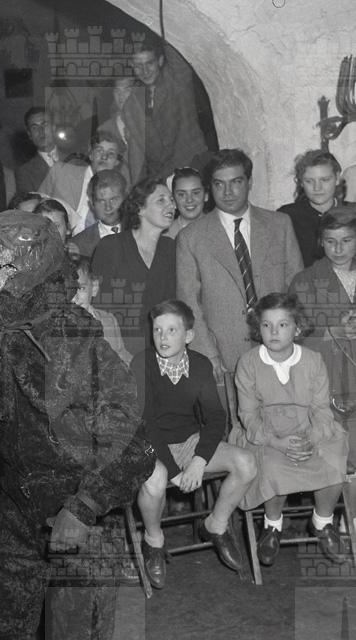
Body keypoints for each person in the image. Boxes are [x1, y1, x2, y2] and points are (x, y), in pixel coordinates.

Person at [0, 211, 156, 639]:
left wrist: (84, 507)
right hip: (16, 507)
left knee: (76, 631)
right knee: (3, 628)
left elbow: (133, 443)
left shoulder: (75, 340)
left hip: (81, 512)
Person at [130, 300, 256, 588]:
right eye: (157, 330)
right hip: (148, 443)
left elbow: (215, 417)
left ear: (188, 335)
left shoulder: (199, 364)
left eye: (171, 330)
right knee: (156, 480)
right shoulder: (142, 363)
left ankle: (216, 525)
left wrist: (199, 460)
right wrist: (175, 472)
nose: (162, 337)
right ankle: (153, 540)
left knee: (247, 463)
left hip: (188, 441)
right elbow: (146, 424)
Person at [230, 293, 348, 565]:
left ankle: (322, 521)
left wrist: (311, 439)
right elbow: (248, 415)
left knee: (334, 452)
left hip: (308, 429)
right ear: (258, 328)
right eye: (267, 325)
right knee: (271, 462)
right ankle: (272, 524)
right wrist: (276, 441)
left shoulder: (313, 360)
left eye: (282, 325)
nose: (274, 332)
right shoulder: (248, 363)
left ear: (297, 328)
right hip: (267, 433)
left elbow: (321, 409)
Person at [176, 149, 304, 382]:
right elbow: (189, 302)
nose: (227, 192)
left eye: (236, 182)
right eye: (219, 184)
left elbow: (297, 286)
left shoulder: (279, 225)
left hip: (282, 348)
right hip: (225, 355)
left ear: (249, 182)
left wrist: (296, 340)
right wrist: (208, 355)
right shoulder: (191, 237)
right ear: (210, 187)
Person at [288, 205, 356, 469]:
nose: (338, 249)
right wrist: (332, 331)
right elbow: (294, 335)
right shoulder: (305, 281)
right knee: (338, 457)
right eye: (330, 241)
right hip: (329, 378)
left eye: (346, 240)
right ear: (320, 241)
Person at [92, 178, 177, 357]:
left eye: (171, 200)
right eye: (161, 200)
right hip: (119, 352)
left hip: (161, 351)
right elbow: (100, 309)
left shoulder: (170, 248)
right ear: (140, 209)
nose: (171, 206)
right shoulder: (111, 246)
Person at [122, 43, 207, 183]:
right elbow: (136, 153)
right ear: (131, 65)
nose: (145, 71)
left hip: (192, 169)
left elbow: (177, 55)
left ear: (160, 61)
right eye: (138, 66)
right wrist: (138, 187)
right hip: (160, 178)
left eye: (149, 63)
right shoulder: (130, 106)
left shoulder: (176, 82)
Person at [39, 131, 127, 234]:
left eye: (111, 153)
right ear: (91, 154)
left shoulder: (121, 191)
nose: (104, 157)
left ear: (117, 161)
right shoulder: (61, 173)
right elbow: (35, 205)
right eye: (99, 151)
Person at [278, 150, 342, 267]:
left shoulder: (352, 213)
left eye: (325, 180)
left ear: (337, 178)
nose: (317, 188)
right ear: (301, 182)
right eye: (309, 181)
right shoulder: (286, 217)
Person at [71, 257, 131, 365]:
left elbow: (123, 355)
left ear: (94, 288)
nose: (74, 298)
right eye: (68, 290)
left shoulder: (109, 320)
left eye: (81, 288)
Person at [70, 169, 127, 258]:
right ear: (92, 204)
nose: (108, 207)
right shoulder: (79, 245)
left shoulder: (142, 231)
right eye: (101, 201)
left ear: (125, 198)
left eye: (113, 199)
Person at [15, 106, 59, 194]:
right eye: (34, 128)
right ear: (29, 134)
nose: (41, 131)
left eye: (45, 125)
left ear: (53, 128)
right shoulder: (24, 172)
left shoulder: (74, 160)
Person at [166, 166, 208, 239]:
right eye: (181, 194)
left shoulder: (222, 227)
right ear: (173, 201)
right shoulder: (166, 236)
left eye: (196, 193)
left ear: (206, 196)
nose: (189, 200)